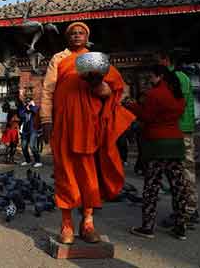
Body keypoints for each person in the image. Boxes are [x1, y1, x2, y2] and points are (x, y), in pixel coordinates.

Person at [40, 22, 134, 244]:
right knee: (65, 173)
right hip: (63, 125)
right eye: (72, 33)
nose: (76, 35)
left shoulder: (96, 60)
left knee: (88, 174)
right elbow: (48, 90)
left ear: (87, 37)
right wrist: (46, 119)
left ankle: (88, 222)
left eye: (81, 32)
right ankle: (66, 225)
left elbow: (112, 92)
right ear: (67, 37)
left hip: (90, 126)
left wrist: (97, 84)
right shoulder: (59, 59)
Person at [126, 66, 190, 240]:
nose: (149, 80)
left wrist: (131, 106)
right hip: (176, 143)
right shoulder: (178, 95)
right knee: (178, 187)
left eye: (151, 76)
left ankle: (147, 227)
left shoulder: (155, 94)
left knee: (152, 187)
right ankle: (181, 227)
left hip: (156, 144)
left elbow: (147, 116)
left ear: (160, 76)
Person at [157, 51, 199, 227]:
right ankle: (187, 209)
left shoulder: (176, 78)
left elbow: (173, 106)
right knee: (182, 171)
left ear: (166, 60)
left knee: (183, 171)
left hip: (178, 129)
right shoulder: (179, 77)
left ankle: (186, 211)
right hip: (182, 128)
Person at [18, 95, 42, 168]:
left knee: (32, 146)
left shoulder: (36, 107)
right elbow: (20, 114)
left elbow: (36, 112)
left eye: (29, 101)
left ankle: (38, 161)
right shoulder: (23, 108)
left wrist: (32, 106)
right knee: (23, 146)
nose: (28, 102)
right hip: (25, 130)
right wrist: (26, 107)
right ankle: (28, 160)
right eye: (26, 101)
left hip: (33, 130)